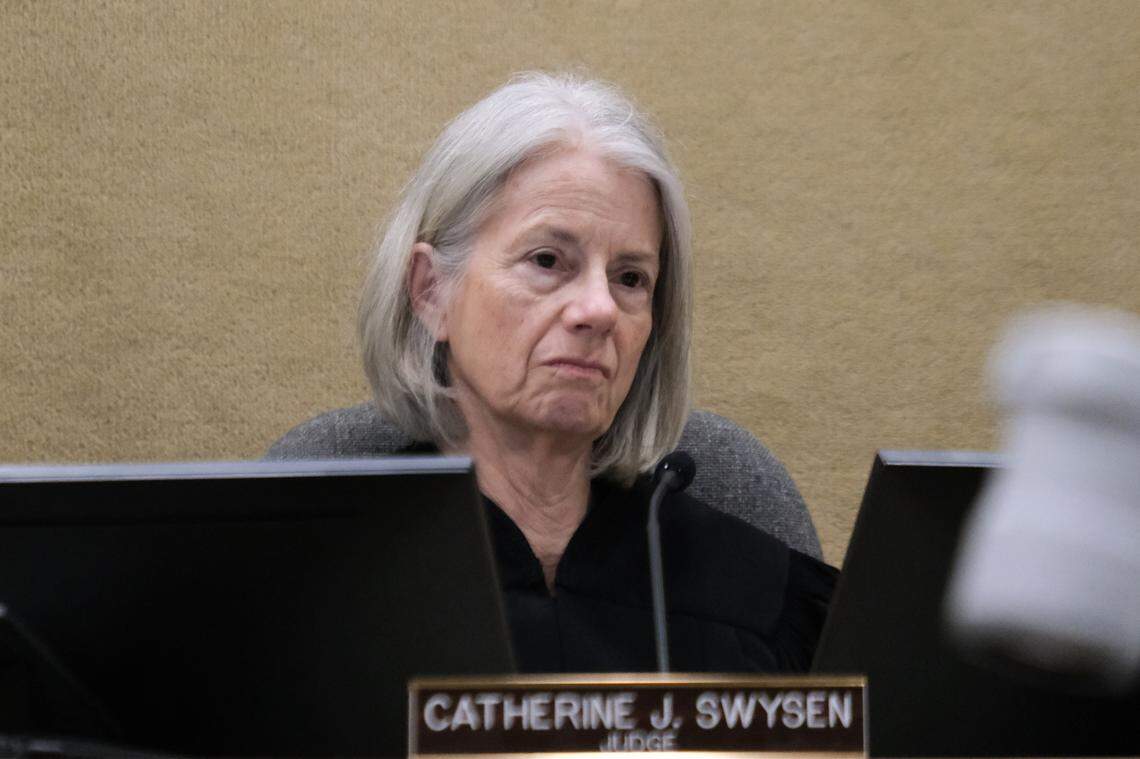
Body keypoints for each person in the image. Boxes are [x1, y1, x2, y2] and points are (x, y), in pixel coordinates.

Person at [356, 72, 835, 672]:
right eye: (548, 260)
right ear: (431, 292)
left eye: (630, 278)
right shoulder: (323, 589)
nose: (599, 310)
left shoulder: (763, 607)